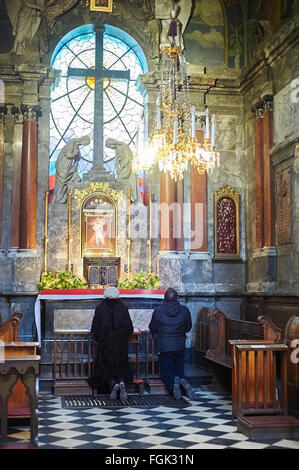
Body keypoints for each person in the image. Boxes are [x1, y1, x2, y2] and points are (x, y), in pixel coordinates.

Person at [87, 286, 133, 402]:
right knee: (120, 364)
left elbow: (95, 328)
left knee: (106, 366)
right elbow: (129, 328)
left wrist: (101, 337)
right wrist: (121, 335)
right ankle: (121, 381)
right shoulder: (123, 307)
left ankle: (113, 384)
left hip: (106, 343)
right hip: (120, 343)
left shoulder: (100, 308)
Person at [149, 287, 195, 400]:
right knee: (179, 367)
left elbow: (153, 327)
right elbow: (188, 326)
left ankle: (173, 381)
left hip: (164, 345)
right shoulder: (184, 310)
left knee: (166, 370)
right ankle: (182, 380)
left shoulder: (158, 311)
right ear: (177, 298)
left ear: (164, 298)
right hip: (179, 344)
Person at [52, 135, 90, 204]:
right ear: (83, 140)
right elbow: (68, 154)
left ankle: (68, 199)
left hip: (69, 167)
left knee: (76, 179)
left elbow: (77, 157)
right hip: (63, 167)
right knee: (62, 183)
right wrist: (75, 154)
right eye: (86, 143)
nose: (85, 145)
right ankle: (58, 199)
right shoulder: (71, 143)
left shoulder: (76, 145)